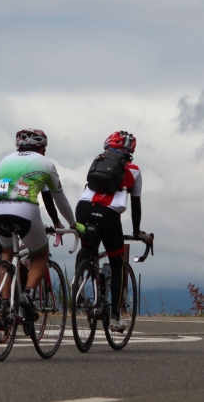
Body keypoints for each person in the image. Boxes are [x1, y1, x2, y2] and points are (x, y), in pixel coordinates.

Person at [0, 128, 80, 322]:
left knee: (7, 253)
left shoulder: (5, 160)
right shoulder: (46, 164)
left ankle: (4, 305)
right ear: (42, 148)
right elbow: (59, 200)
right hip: (24, 209)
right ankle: (27, 295)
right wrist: (73, 224)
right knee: (40, 255)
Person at [75, 131, 150, 332]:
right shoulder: (134, 170)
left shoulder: (97, 161)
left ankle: (78, 282)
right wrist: (136, 231)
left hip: (82, 208)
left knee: (88, 246)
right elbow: (136, 204)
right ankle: (116, 318)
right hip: (108, 215)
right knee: (117, 263)